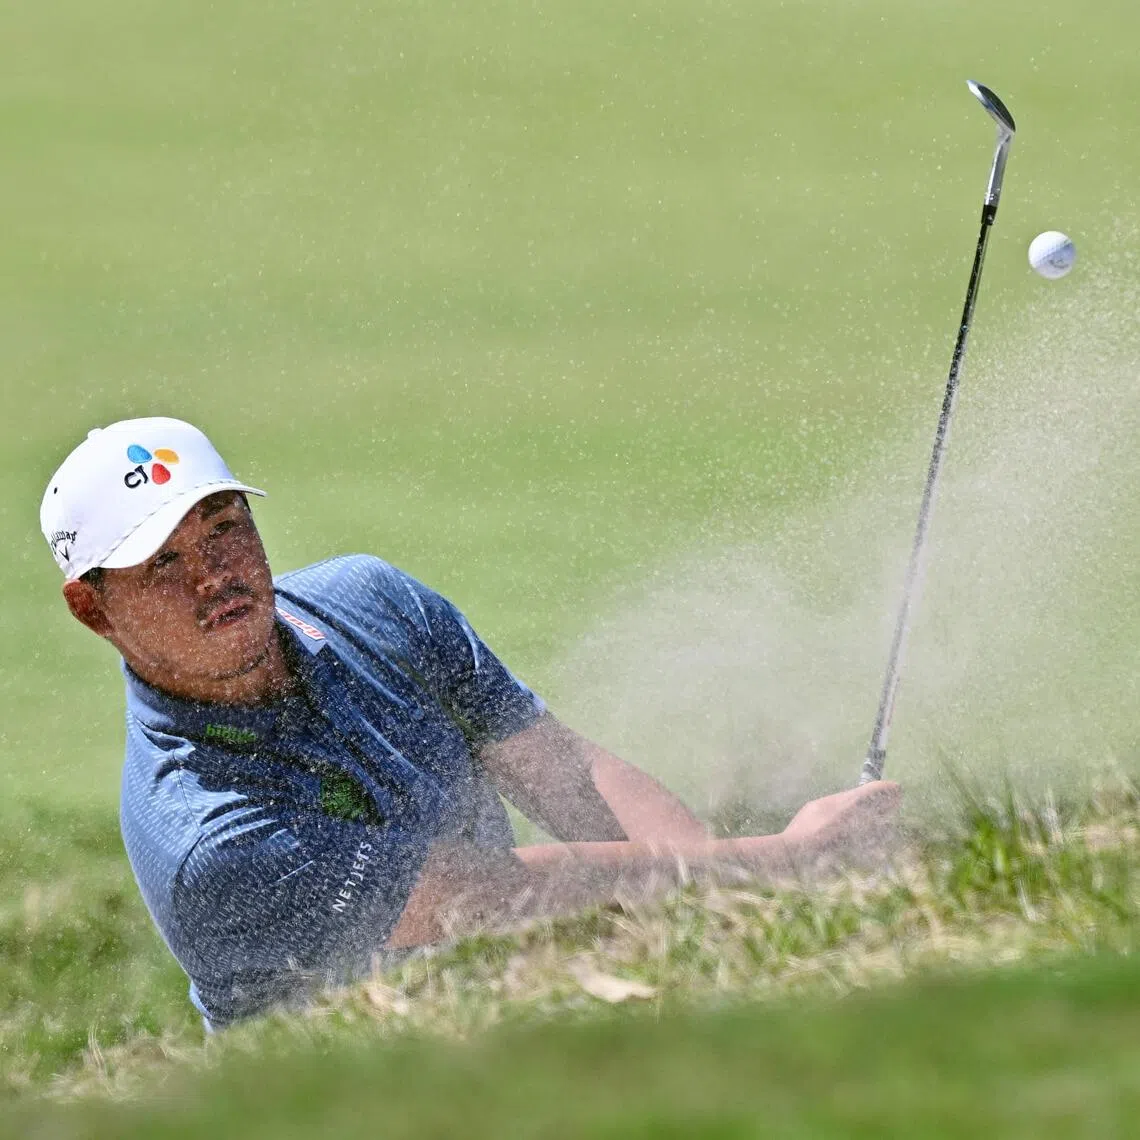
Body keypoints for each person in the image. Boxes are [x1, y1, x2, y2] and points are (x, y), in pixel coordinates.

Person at [42, 417, 899, 1027]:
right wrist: (792, 862)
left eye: (225, 526)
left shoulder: (371, 602)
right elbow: (492, 900)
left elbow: (566, 773)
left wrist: (742, 914)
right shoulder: (207, 841)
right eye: (162, 564)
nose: (215, 575)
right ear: (93, 609)